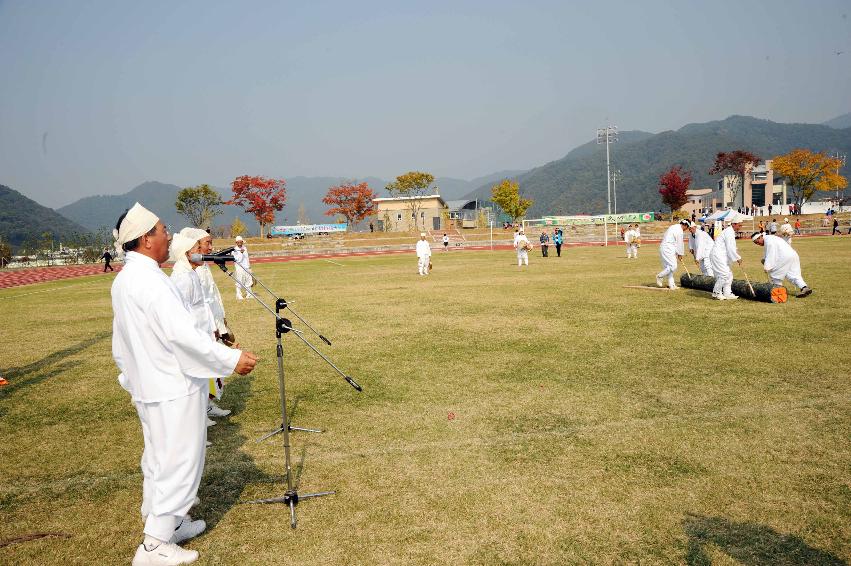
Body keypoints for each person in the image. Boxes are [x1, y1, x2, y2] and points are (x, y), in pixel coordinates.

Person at [111, 203, 257, 565]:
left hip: (151, 386)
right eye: (162, 230)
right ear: (146, 239)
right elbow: (182, 336)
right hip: (172, 387)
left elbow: (120, 344)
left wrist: (131, 379)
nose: (169, 236)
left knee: (160, 461)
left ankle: (169, 524)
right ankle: (155, 544)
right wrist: (230, 360)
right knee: (180, 462)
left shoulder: (127, 279)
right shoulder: (149, 281)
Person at [195, 234, 234, 419]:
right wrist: (212, 326)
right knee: (206, 368)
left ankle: (208, 405)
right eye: (207, 243)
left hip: (214, 322)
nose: (211, 247)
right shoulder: (191, 271)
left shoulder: (204, 266)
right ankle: (201, 410)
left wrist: (222, 320)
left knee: (215, 369)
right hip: (204, 327)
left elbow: (214, 296)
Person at [751, 232, 812, 297]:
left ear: (760, 237)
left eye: (757, 242)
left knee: (775, 274)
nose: (758, 244)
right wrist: (764, 259)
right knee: (793, 274)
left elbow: (771, 254)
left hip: (784, 257)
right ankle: (804, 287)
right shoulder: (769, 238)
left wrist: (767, 266)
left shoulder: (769, 241)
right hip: (793, 255)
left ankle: (779, 292)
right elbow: (767, 252)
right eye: (755, 243)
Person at [709, 214, 745, 300]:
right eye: (739, 225)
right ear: (734, 224)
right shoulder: (729, 232)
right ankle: (716, 292)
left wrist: (737, 255)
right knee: (724, 274)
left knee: (729, 275)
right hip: (718, 255)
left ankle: (727, 293)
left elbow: (732, 247)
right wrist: (738, 258)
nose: (740, 227)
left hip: (721, 256)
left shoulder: (730, 232)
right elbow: (730, 248)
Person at [656, 219, 689, 289]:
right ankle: (660, 276)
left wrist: (678, 253)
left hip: (665, 247)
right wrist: (680, 254)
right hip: (668, 248)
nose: (686, 229)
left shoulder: (673, 226)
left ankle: (672, 285)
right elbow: (679, 243)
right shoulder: (679, 230)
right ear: (685, 225)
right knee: (673, 266)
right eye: (687, 228)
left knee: (668, 268)